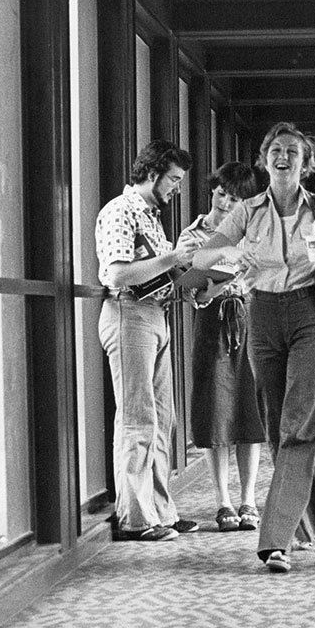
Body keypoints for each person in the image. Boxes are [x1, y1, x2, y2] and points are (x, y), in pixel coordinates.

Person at [192, 122, 315, 574]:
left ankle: (274, 539)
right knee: (280, 423)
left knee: (299, 426)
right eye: (276, 150)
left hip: (310, 316)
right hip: (261, 314)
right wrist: (228, 256)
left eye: (293, 152)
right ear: (265, 159)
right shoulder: (246, 211)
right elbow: (201, 257)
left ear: (305, 163)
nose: (283, 157)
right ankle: (313, 515)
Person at [95, 139, 201, 541]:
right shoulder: (120, 211)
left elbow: (152, 273)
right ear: (152, 174)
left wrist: (190, 276)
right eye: (173, 179)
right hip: (128, 315)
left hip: (155, 315)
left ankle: (160, 511)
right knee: (137, 418)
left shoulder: (150, 215)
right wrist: (175, 258)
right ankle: (136, 518)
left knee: (161, 419)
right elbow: (119, 274)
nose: (176, 187)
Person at [179, 161, 268, 533]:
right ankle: (223, 500)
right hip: (212, 321)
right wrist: (213, 284)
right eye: (221, 193)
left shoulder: (255, 233)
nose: (226, 202)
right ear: (212, 190)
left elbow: (268, 275)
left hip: (251, 318)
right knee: (214, 408)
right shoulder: (192, 235)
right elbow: (188, 291)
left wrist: (250, 272)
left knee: (251, 408)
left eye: (236, 198)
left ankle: (248, 498)